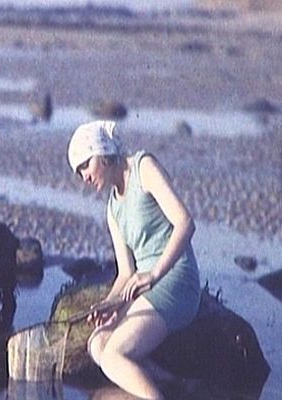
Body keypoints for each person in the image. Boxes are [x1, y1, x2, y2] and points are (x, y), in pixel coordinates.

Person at [67, 120, 200, 399]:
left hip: (174, 278)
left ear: (102, 153)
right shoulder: (113, 208)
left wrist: (153, 275)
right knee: (98, 344)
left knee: (114, 356)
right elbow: (126, 273)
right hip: (145, 287)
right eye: (79, 173)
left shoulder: (144, 167)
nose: (85, 178)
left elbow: (185, 223)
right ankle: (173, 384)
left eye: (86, 166)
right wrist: (109, 303)